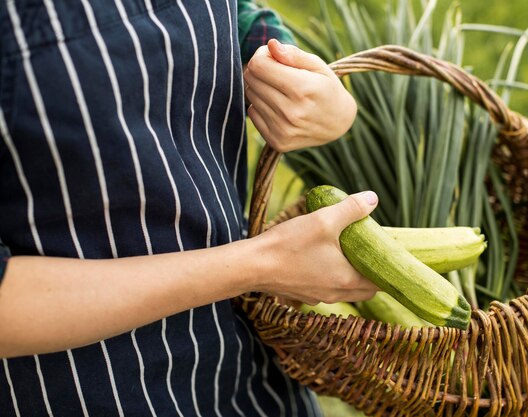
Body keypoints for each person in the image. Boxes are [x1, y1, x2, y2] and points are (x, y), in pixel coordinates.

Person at [0, 0, 379, 416]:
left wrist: (300, 83)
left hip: (255, 384)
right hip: (85, 394)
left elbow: (230, 17)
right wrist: (262, 264)